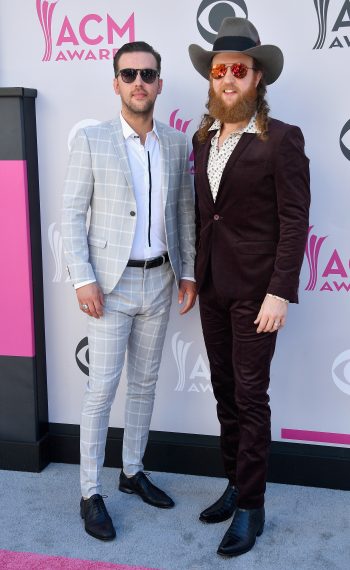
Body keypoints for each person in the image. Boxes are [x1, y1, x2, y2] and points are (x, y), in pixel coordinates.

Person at [62, 40, 196, 541]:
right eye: (129, 73)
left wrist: (188, 272)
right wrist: (83, 278)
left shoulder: (178, 143)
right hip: (110, 287)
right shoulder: (93, 140)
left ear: (160, 83)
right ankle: (90, 492)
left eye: (148, 73)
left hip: (161, 280)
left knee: (144, 385)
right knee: (101, 391)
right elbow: (73, 213)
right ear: (116, 82)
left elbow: (184, 212)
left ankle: (132, 471)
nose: (139, 81)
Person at [188, 17, 310, 557]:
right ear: (211, 80)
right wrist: (194, 275)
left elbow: (295, 219)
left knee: (249, 394)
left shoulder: (282, 139)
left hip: (259, 293)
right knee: (223, 392)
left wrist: (280, 291)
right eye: (219, 72)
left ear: (257, 77)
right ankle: (235, 484)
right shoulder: (202, 138)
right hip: (213, 287)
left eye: (238, 70)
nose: (227, 80)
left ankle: (253, 507)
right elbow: (203, 216)